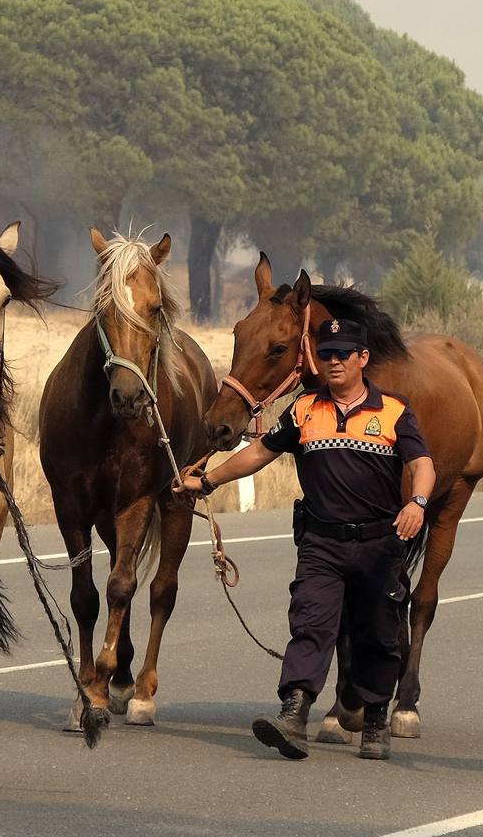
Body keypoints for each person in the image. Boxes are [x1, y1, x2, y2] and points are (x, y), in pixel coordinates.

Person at [177, 317, 435, 762]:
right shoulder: (304, 410)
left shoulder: (393, 410)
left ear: (362, 359)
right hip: (321, 542)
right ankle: (293, 715)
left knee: (378, 633)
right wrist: (209, 480)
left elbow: (424, 462)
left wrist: (417, 502)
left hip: (378, 543)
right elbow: (259, 453)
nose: (334, 363)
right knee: (311, 624)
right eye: (328, 354)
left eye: (343, 354)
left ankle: (375, 718)